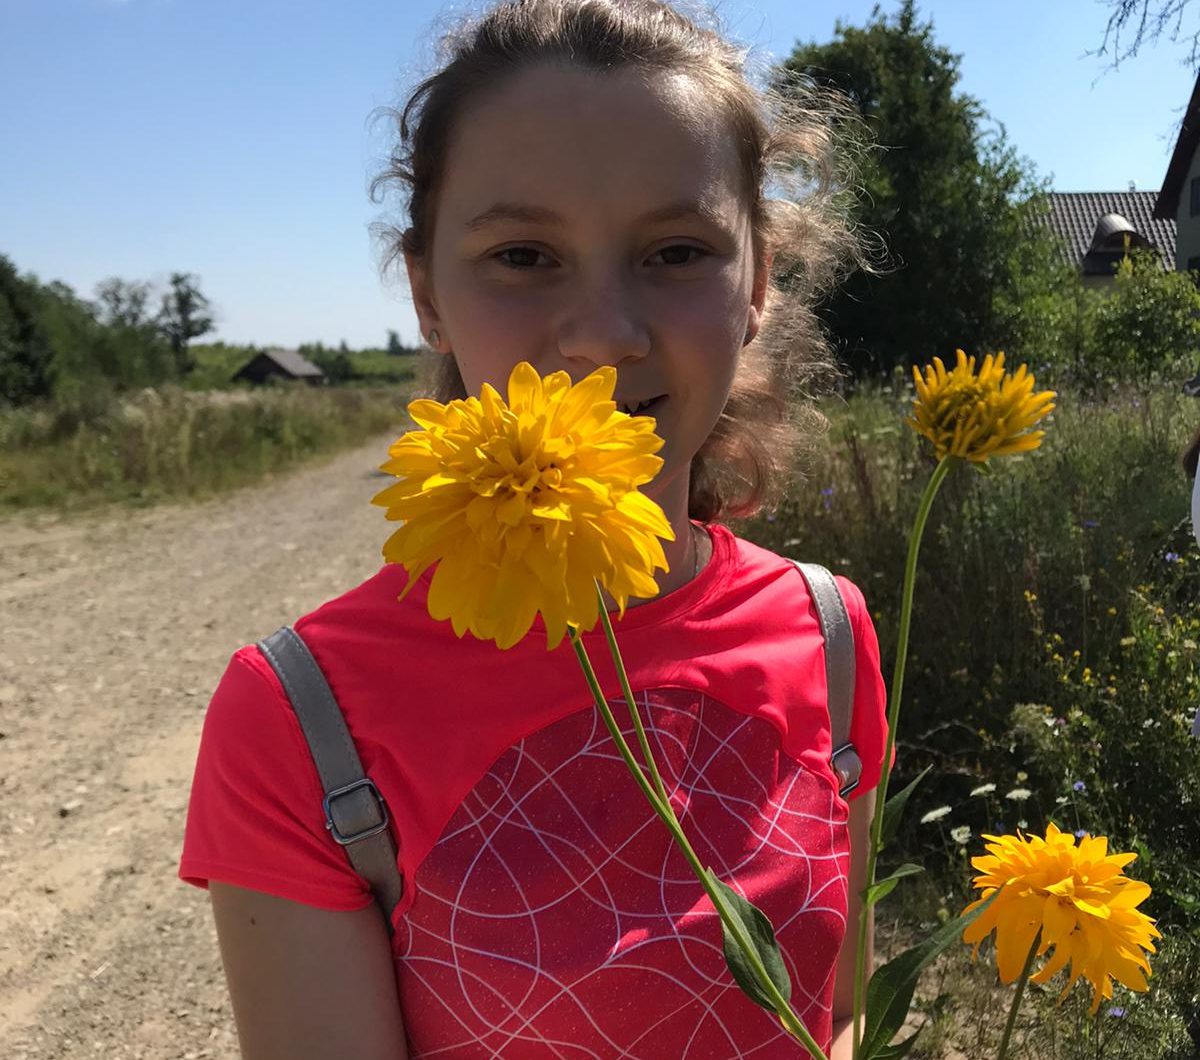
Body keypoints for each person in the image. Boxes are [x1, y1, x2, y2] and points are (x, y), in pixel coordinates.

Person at [178, 0, 891, 1056]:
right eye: (522, 254)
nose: (604, 336)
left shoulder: (830, 632)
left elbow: (838, 1011)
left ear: (760, 286)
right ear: (425, 295)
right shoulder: (297, 718)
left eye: (678, 250)